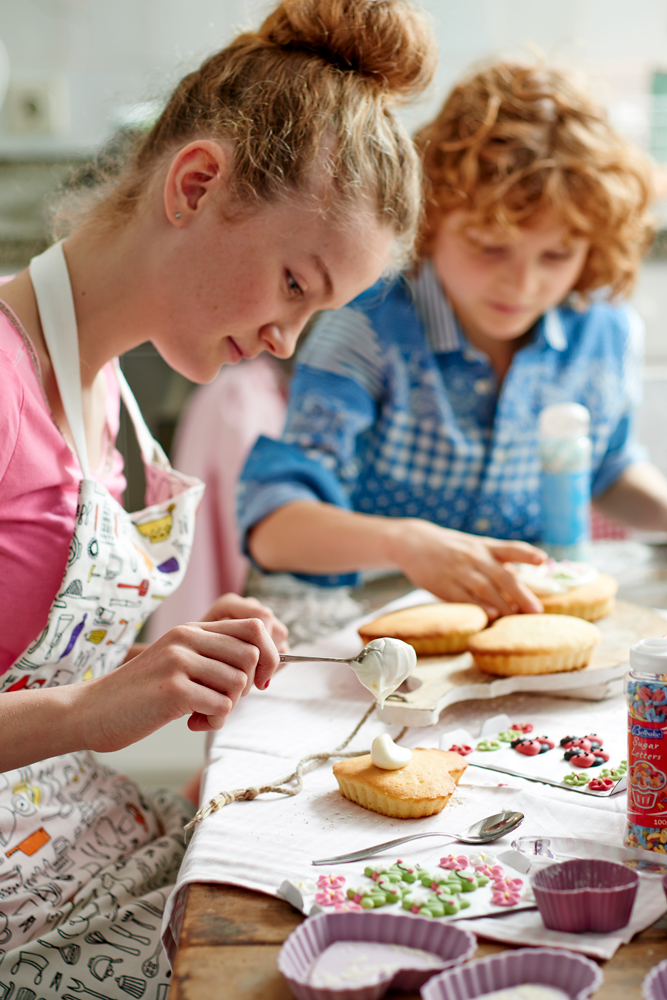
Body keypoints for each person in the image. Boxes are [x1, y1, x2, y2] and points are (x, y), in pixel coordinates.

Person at [0, 0, 436, 992]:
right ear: (194, 185)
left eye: (315, 311)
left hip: (88, 857)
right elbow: (60, 707)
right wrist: (87, 708)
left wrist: (166, 666)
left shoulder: (104, 390)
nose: (289, 338)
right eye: (292, 282)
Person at [240, 59, 667, 620]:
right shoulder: (367, 328)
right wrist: (403, 543)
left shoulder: (602, 330)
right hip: (380, 628)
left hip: (523, 617)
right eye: (489, 246)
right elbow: (276, 527)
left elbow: (607, 468)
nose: (523, 283)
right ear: (432, 219)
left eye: (557, 255)